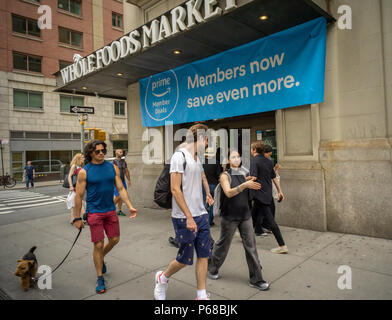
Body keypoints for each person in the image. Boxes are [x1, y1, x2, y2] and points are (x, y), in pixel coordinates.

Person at [154, 123, 214, 300]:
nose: (208, 145)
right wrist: (188, 216)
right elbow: (175, 189)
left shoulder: (196, 158)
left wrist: (208, 193)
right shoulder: (179, 157)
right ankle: (162, 278)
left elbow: (202, 175)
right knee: (184, 259)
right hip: (184, 217)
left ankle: (201, 295)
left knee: (204, 255)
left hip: (201, 214)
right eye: (208, 141)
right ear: (201, 138)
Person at [73, 140, 138, 294]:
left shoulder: (112, 167)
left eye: (103, 150)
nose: (101, 153)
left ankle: (99, 258)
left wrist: (129, 205)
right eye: (97, 151)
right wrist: (77, 218)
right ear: (90, 153)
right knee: (99, 245)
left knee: (115, 240)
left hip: (110, 210)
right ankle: (100, 277)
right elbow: (78, 196)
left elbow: (120, 188)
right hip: (94, 212)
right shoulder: (84, 171)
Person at [208, 149, 270, 291]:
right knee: (223, 245)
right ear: (228, 160)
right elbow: (229, 192)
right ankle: (212, 267)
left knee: (251, 247)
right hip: (229, 216)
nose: (237, 159)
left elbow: (245, 186)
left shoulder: (243, 173)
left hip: (245, 215)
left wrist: (249, 181)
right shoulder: (225, 175)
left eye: (238, 156)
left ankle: (256, 279)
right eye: (233, 157)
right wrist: (244, 185)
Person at [250, 141, 288, 254]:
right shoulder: (268, 161)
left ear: (255, 150)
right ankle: (244, 234)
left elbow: (253, 177)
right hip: (266, 193)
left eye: (252, 149)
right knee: (252, 214)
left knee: (270, 220)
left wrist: (241, 182)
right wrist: (280, 191)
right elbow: (274, 177)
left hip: (259, 193)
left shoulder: (254, 161)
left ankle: (282, 245)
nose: (251, 151)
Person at [261, 145, 281, 233]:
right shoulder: (260, 161)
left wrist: (274, 170)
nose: (269, 156)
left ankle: (265, 226)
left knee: (266, 209)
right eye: (269, 154)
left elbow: (272, 175)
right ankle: (267, 226)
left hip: (266, 190)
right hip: (263, 190)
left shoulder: (267, 162)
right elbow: (270, 175)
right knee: (269, 208)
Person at [202, 147, 223, 226]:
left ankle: (202, 221)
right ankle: (209, 221)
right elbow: (219, 175)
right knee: (212, 204)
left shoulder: (202, 162)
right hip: (213, 185)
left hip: (204, 185)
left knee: (203, 202)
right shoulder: (216, 163)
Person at [112, 149, 131, 217]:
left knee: (122, 196)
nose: (121, 153)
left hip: (123, 180)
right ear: (116, 153)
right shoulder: (113, 162)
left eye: (122, 152)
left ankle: (119, 210)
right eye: (120, 152)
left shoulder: (124, 162)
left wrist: (128, 180)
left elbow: (126, 171)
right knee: (118, 196)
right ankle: (110, 208)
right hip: (116, 181)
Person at [67, 153, 85, 224]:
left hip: (80, 186)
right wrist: (71, 186)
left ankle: (72, 219)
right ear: (78, 158)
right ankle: (84, 219)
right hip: (75, 187)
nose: (84, 159)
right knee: (81, 202)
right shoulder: (74, 166)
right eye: (82, 157)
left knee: (75, 203)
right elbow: (69, 176)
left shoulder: (80, 166)